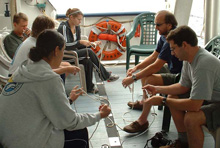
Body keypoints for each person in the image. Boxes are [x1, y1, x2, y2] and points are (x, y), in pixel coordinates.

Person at [0, 29, 111, 148]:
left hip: (7, 138)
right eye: (63, 51)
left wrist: (69, 100)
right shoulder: (49, 79)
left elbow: (37, 106)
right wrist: (99, 115)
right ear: (56, 51)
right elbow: (70, 122)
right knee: (79, 134)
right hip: (26, 142)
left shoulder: (23, 70)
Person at [139, 25, 220, 148]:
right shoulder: (189, 58)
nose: (172, 53)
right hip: (211, 98)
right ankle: (183, 142)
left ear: (185, 45)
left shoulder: (204, 64)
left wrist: (163, 101)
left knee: (191, 118)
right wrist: (157, 89)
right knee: (173, 96)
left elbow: (194, 105)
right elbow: (183, 86)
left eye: (174, 49)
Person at [122, 10, 182, 133]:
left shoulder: (172, 38)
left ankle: (143, 121)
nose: (155, 28)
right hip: (171, 68)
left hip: (179, 75)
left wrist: (133, 78)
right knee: (145, 71)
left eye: (158, 25)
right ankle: (145, 102)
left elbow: (156, 66)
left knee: (149, 79)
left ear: (169, 25)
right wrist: (136, 68)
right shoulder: (165, 35)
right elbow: (154, 56)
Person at [57, 8, 119, 93]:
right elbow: (65, 46)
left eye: (81, 20)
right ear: (71, 17)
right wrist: (80, 42)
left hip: (74, 53)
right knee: (88, 52)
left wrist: (91, 43)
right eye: (78, 19)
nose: (80, 22)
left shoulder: (77, 27)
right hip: (65, 55)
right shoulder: (63, 27)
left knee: (88, 59)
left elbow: (77, 45)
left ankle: (89, 88)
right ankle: (105, 75)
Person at [9, 15, 79, 79]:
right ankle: (57, 91)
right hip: (19, 77)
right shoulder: (34, 46)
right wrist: (65, 69)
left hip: (25, 71)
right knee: (63, 71)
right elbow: (42, 72)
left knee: (66, 65)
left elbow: (43, 66)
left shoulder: (33, 40)